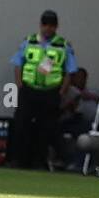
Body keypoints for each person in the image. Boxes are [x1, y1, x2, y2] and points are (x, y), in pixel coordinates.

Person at [9, 9, 76, 170]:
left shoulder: (63, 45)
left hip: (50, 92)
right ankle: (19, 160)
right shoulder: (29, 41)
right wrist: (19, 85)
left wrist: (61, 92)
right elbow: (18, 64)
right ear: (40, 25)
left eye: (51, 25)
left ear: (56, 27)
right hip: (29, 90)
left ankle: (39, 162)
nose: (48, 28)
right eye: (45, 25)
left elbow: (70, 71)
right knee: (21, 125)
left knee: (45, 128)